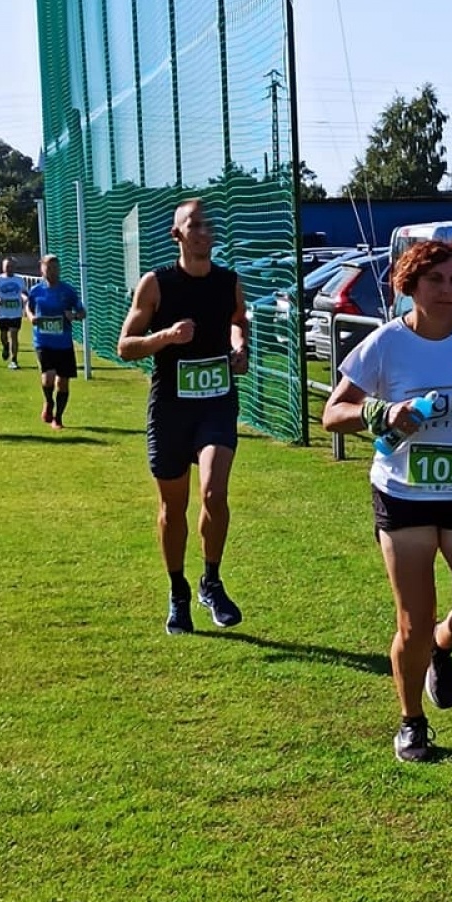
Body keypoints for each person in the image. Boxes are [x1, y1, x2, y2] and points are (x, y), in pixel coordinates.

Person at [322, 239, 452, 763]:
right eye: (436, 280)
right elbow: (333, 413)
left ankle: (442, 647)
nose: (448, 290)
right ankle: (411, 723)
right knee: (413, 619)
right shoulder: (385, 343)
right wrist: (381, 413)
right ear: (409, 286)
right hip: (404, 493)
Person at [117, 199, 250, 636]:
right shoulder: (156, 284)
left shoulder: (228, 281)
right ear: (177, 234)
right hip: (171, 408)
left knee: (213, 492)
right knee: (172, 508)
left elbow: (237, 320)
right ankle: (178, 591)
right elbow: (126, 345)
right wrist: (166, 337)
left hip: (216, 402)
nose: (204, 231)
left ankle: (211, 581)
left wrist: (240, 347)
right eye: (195, 225)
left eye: (209, 224)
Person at [25, 255, 86, 428]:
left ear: (59, 269)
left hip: (63, 343)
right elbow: (28, 307)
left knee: (63, 383)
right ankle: (48, 402)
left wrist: (74, 316)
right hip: (43, 341)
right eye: (48, 268)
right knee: (49, 377)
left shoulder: (68, 291)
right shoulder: (36, 290)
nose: (52, 272)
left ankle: (58, 418)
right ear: (42, 269)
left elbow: (82, 312)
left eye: (55, 268)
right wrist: (31, 317)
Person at [0, 258, 29, 369]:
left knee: (14, 335)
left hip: (16, 312)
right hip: (2, 313)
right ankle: (5, 346)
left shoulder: (19, 280)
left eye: (11, 266)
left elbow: (24, 292)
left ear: (15, 267)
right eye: (7, 266)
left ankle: (14, 360)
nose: (9, 268)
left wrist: (25, 298)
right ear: (3, 267)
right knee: (3, 335)